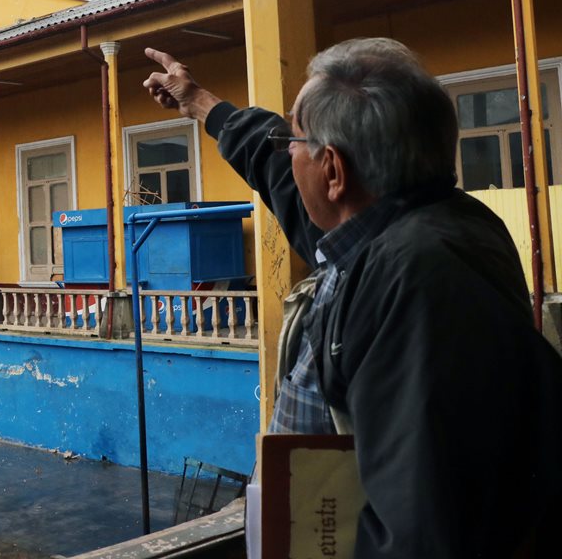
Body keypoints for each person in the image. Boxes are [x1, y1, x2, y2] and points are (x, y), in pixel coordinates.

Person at [143, 38, 562, 558]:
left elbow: (424, 532)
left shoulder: (421, 283)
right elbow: (281, 177)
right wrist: (199, 102)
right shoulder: (394, 229)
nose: (284, 153)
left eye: (291, 140)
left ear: (334, 172)